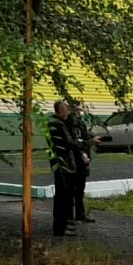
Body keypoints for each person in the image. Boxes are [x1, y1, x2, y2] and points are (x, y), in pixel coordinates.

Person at [48, 100, 78, 237]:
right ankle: (62, 228)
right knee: (64, 196)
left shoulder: (49, 123)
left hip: (56, 163)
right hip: (64, 164)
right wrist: (87, 142)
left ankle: (59, 228)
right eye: (66, 110)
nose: (69, 112)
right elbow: (70, 143)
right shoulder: (59, 124)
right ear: (60, 111)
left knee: (60, 196)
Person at [67, 103, 98, 223]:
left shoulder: (80, 123)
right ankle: (70, 216)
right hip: (76, 159)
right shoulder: (70, 124)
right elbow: (76, 141)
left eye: (80, 110)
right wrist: (85, 148)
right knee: (72, 188)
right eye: (77, 110)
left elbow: (84, 136)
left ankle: (80, 214)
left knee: (80, 188)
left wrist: (91, 138)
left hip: (83, 159)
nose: (79, 112)